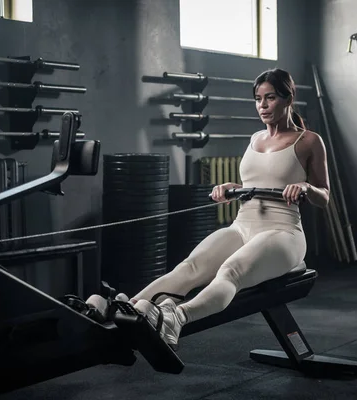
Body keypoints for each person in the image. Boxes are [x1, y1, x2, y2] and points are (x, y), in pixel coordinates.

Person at [87, 68, 330, 350]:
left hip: (283, 232)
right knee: (190, 267)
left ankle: (176, 317)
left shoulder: (309, 141)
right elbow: (258, 181)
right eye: (258, 99)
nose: (262, 106)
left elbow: (323, 196)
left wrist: (305, 187)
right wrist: (231, 187)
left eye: (270, 98)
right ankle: (128, 307)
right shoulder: (255, 139)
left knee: (231, 271)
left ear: (288, 99)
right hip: (243, 225)